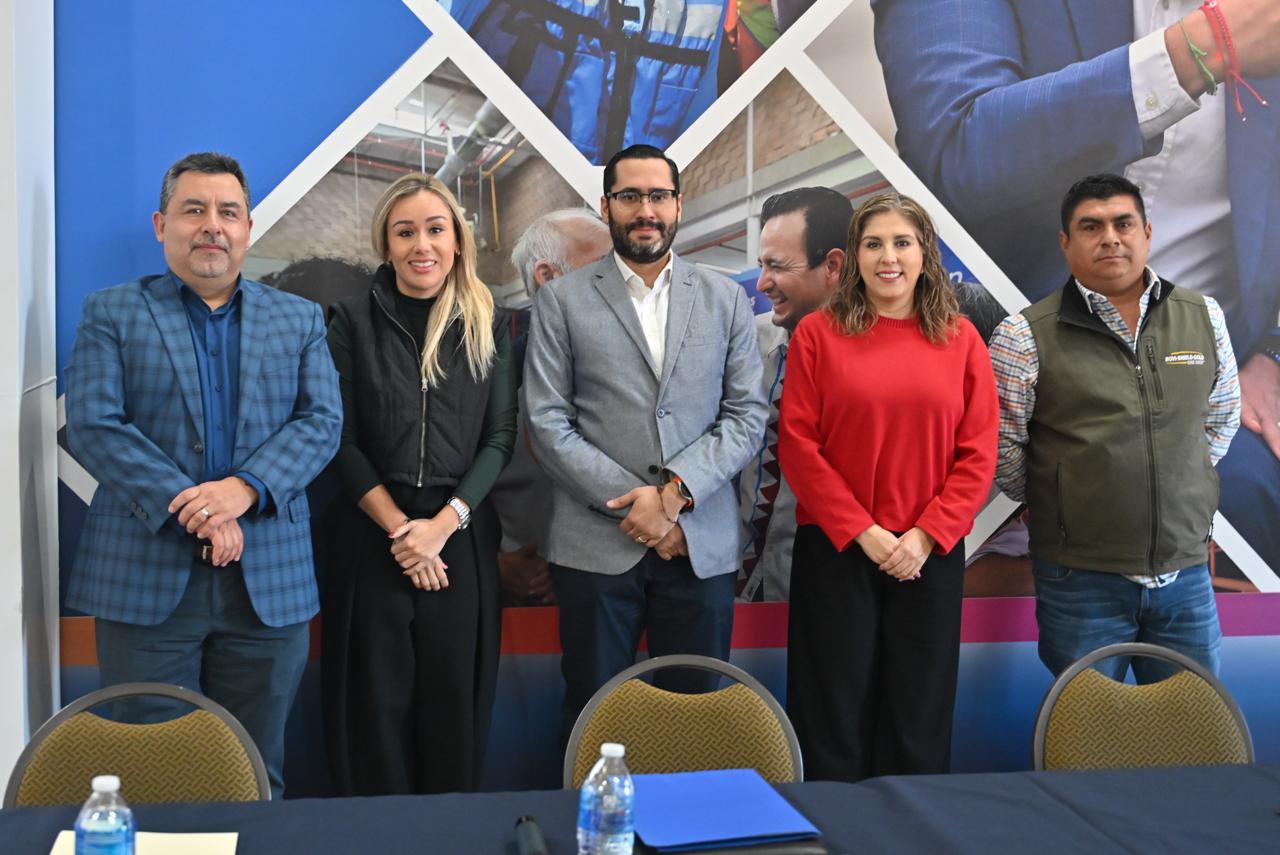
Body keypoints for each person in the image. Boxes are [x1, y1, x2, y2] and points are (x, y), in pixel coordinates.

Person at [872, 0, 1280, 578]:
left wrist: (1273, 350)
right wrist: (1197, 52)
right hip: (1013, 398)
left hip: (1214, 392)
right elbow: (956, 149)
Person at [64, 152, 343, 798]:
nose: (212, 224)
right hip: (145, 582)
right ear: (161, 225)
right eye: (194, 210)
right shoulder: (112, 312)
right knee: (149, 776)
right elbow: (94, 424)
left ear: (247, 228)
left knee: (255, 773)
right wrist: (196, 508)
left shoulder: (299, 319)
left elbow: (322, 422)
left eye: (228, 211)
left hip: (266, 587)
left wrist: (242, 491)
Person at [524, 144, 767, 735]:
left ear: (678, 204)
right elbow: (547, 421)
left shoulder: (725, 298)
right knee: (595, 715)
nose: (645, 210)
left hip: (698, 544)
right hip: (595, 547)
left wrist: (675, 496)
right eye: (630, 196)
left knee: (696, 720)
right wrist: (640, 508)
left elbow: (745, 414)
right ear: (607, 206)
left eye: (658, 196)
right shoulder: (561, 301)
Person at [778, 191, 998, 781]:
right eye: (873, 244)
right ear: (854, 256)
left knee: (917, 715)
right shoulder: (817, 335)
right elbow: (799, 445)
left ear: (925, 254)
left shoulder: (961, 340)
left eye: (903, 242)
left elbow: (978, 453)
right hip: (837, 551)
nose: (888, 257)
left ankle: (909, 825)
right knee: (831, 715)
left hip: (929, 555)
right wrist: (863, 532)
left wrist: (925, 536)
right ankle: (834, 825)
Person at [989, 174, 1240, 682]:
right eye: (1091, 226)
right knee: (1085, 726)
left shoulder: (1203, 316)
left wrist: (1176, 479)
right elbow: (1003, 448)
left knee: (1193, 724)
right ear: (1065, 242)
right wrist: (1065, 502)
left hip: (1185, 575)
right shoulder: (1022, 336)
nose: (1110, 238)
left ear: (1146, 232)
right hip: (1079, 581)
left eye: (1123, 223)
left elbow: (1221, 418)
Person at [322, 173, 518, 794]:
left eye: (435, 229)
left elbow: (500, 438)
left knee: (453, 709)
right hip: (372, 534)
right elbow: (341, 439)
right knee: (373, 714)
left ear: (458, 240)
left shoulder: (490, 323)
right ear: (386, 245)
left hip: (460, 535)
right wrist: (403, 534)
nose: (421, 245)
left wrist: (440, 528)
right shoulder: (350, 321)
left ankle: (448, 831)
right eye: (405, 232)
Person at [492, 209, 611, 606]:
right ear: (548, 275)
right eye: (604, 267)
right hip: (520, 609)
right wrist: (493, 562)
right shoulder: (491, 386)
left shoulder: (638, 374)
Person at [739, 186, 852, 602]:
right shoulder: (745, 344)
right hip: (742, 591)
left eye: (778, 266)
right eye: (761, 265)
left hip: (834, 594)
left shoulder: (891, 361)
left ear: (833, 266)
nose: (762, 283)